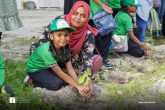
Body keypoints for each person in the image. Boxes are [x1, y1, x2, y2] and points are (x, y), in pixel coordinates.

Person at [26, 18, 92, 97]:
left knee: (67, 81)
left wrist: (78, 84)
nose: (63, 38)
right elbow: (60, 73)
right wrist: (78, 86)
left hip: (46, 67)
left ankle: (42, 78)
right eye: (59, 35)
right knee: (57, 85)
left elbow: (70, 69)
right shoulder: (46, 51)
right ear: (51, 36)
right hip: (36, 70)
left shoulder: (65, 48)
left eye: (66, 35)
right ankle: (32, 81)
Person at [63, 1, 100, 77]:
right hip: (51, 57)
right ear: (71, 12)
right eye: (75, 13)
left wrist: (86, 78)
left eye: (83, 16)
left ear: (87, 18)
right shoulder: (60, 23)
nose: (78, 18)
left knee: (84, 77)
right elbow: (45, 44)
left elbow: (88, 58)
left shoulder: (88, 34)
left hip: (70, 60)